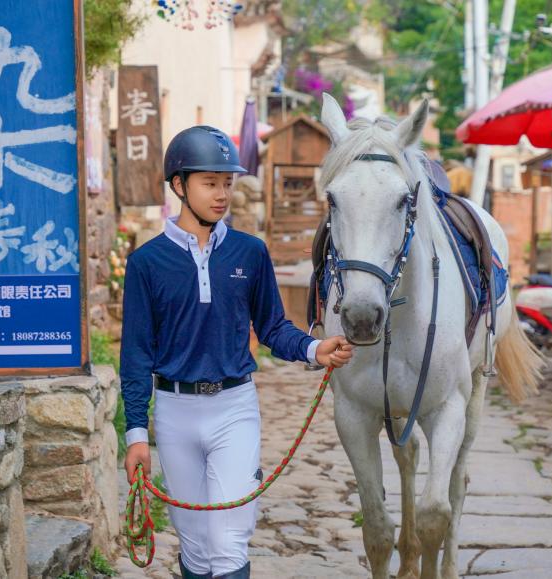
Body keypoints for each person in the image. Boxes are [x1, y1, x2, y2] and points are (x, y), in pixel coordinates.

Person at [120, 125, 353, 579]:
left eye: (227, 182)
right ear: (179, 185)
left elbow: (272, 327)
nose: (223, 193)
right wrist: (134, 433)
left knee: (228, 544)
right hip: (173, 411)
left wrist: (312, 349)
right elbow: (135, 354)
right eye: (210, 183)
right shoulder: (146, 263)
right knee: (195, 547)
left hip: (234, 408)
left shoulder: (250, 252)